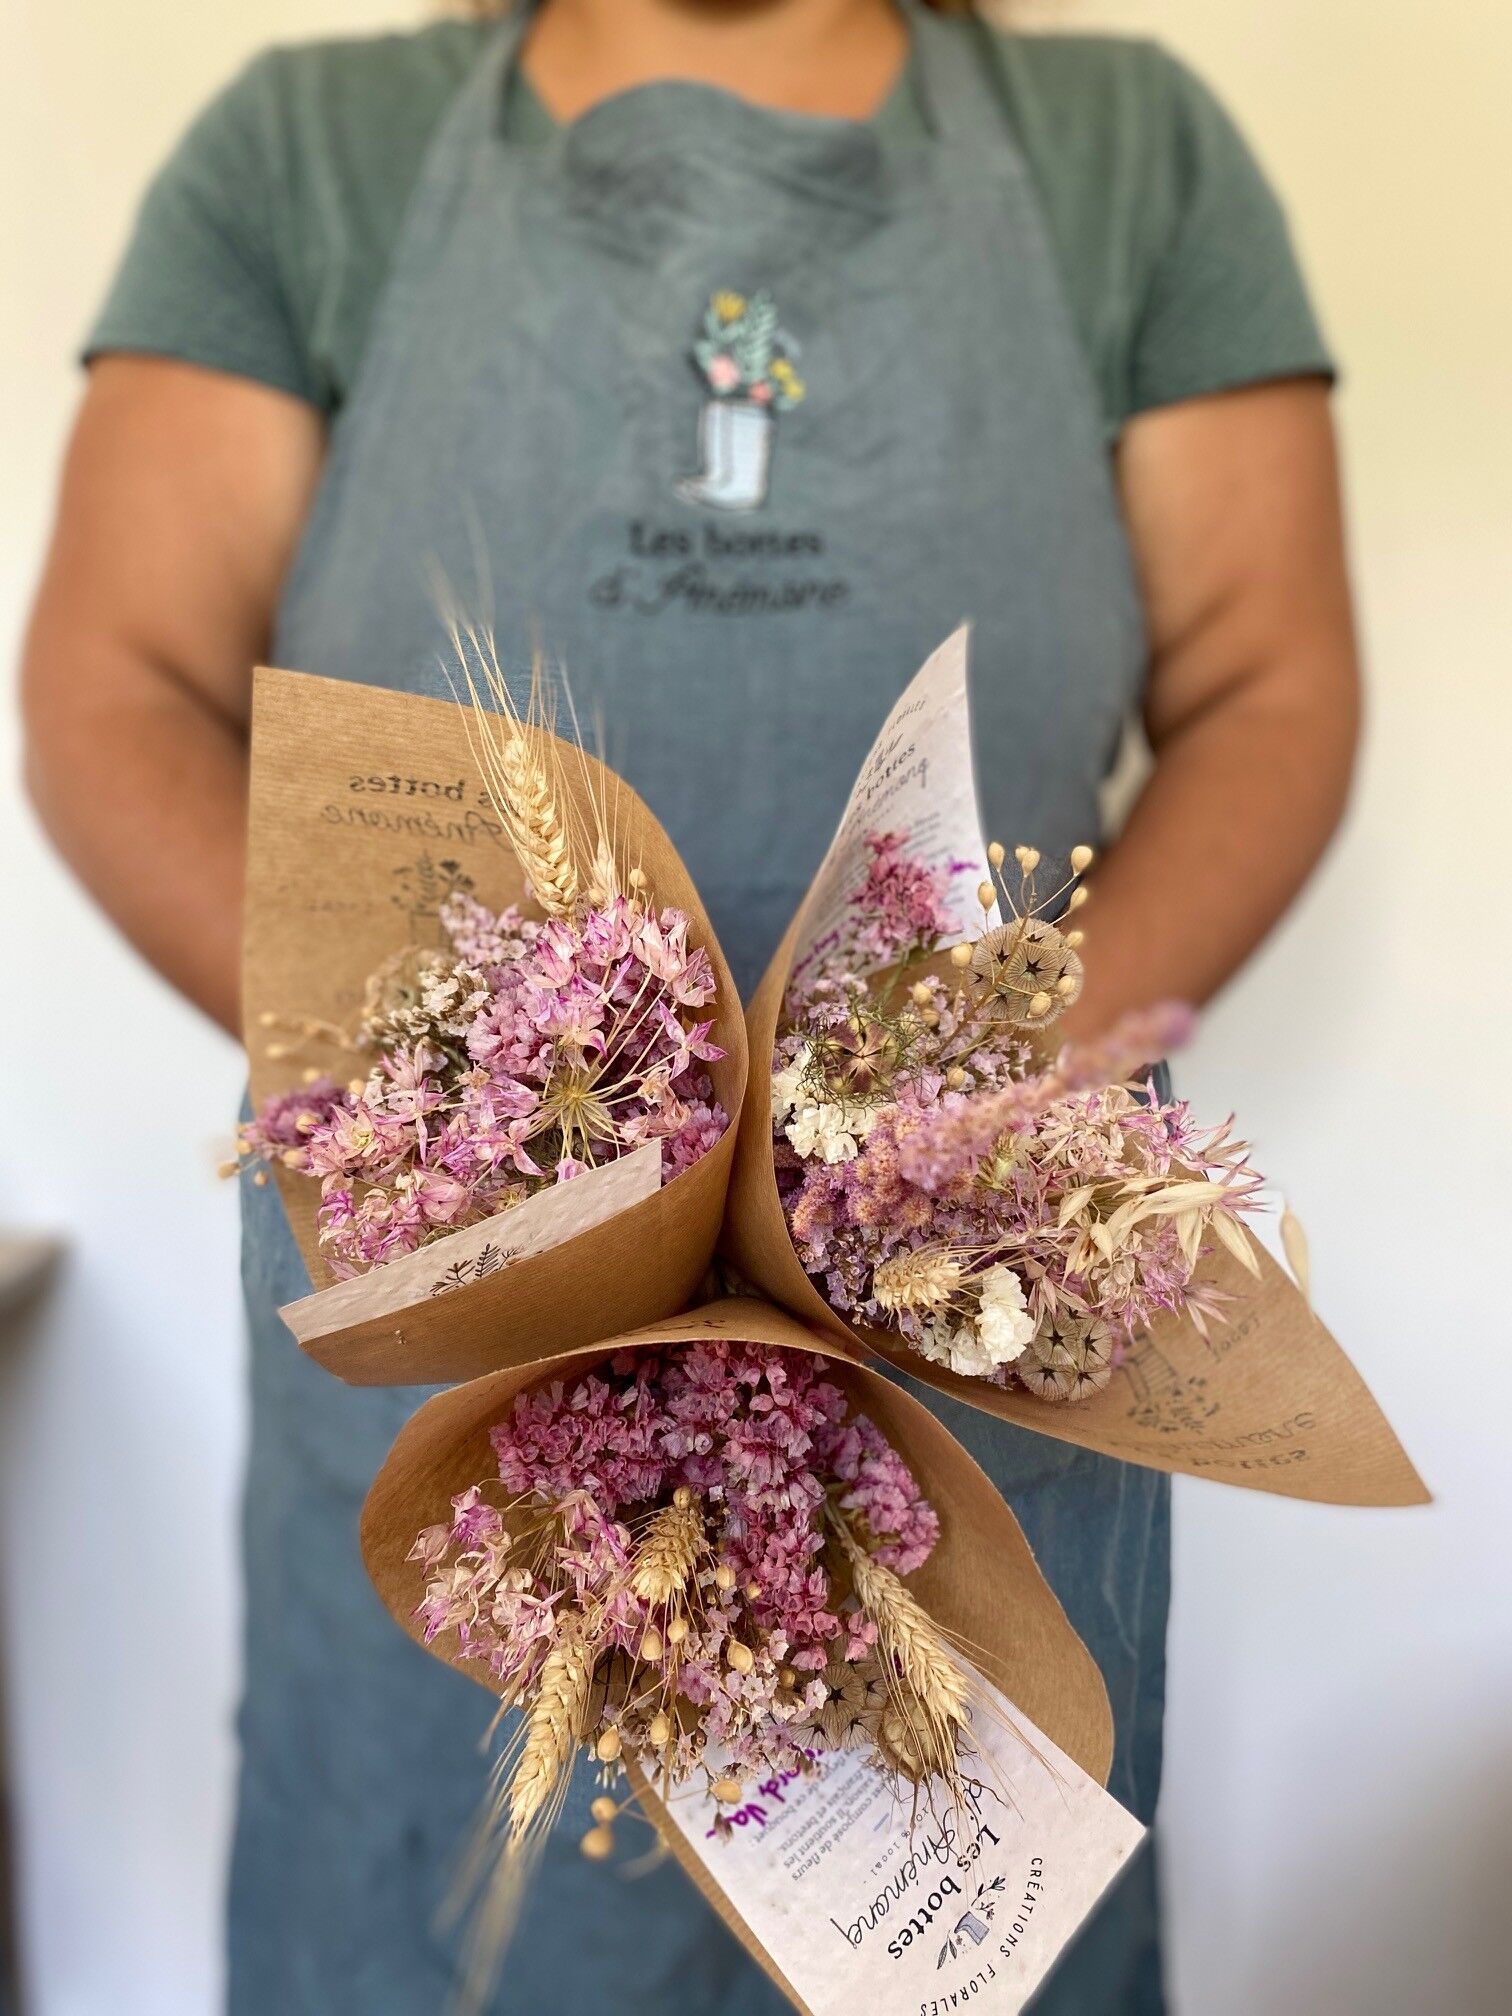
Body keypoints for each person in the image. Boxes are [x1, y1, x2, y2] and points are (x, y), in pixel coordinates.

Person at [19, 1, 1360, 2009]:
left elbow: (1273, 681)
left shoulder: (1130, 155)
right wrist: (470, 1143)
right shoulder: (308, 152)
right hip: (458, 1341)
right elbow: (114, 682)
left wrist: (945, 1146)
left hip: (971, 1357)